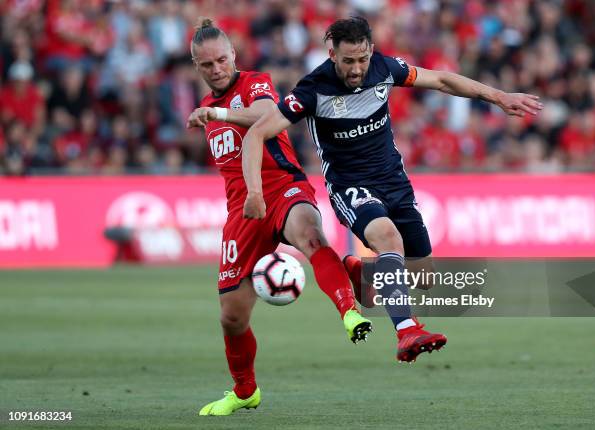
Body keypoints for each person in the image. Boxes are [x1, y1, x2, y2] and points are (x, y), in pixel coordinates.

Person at [240, 17, 543, 363]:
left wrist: (498, 96)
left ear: (371, 51)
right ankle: (407, 331)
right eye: (347, 61)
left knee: (423, 277)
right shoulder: (313, 89)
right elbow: (256, 133)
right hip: (350, 185)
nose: (356, 69)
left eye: (362, 59)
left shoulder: (385, 68)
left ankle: (362, 275)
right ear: (331, 54)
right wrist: (254, 192)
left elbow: (442, 80)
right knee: (388, 239)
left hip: (394, 182)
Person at [186, 19, 371, 417]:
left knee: (312, 236)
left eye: (221, 60)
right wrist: (211, 114)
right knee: (231, 318)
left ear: (233, 55)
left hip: (282, 186)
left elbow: (265, 115)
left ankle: (349, 311)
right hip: (242, 211)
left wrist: (217, 113)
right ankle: (244, 390)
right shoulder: (206, 110)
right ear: (197, 67)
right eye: (207, 65)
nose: (216, 69)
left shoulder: (254, 83)